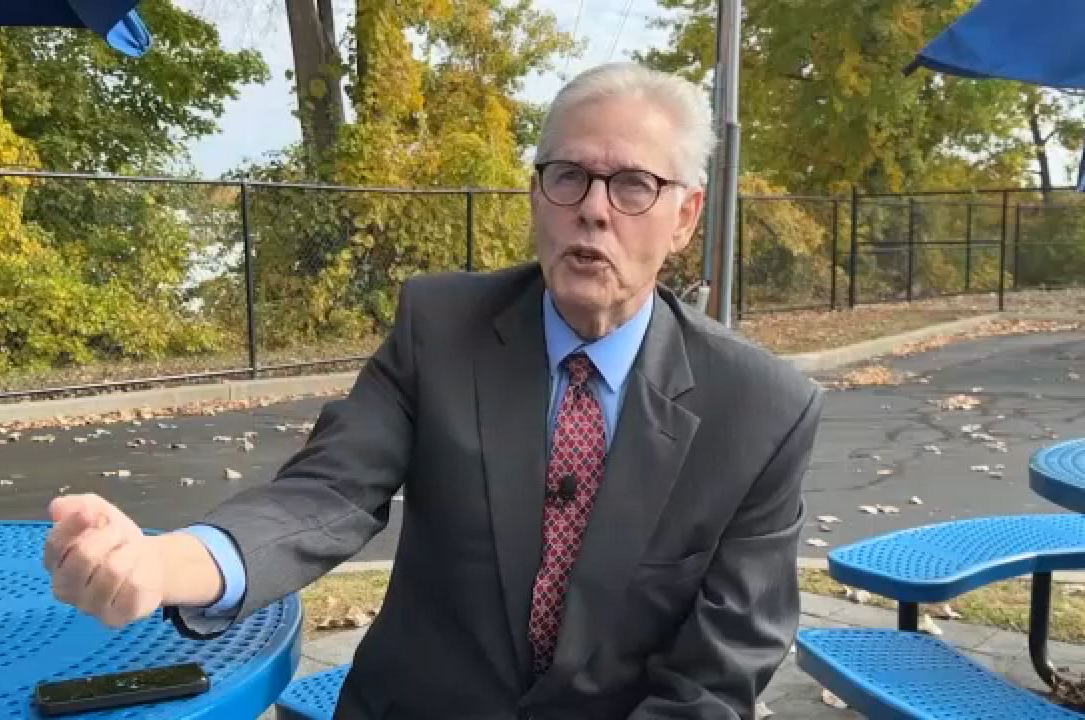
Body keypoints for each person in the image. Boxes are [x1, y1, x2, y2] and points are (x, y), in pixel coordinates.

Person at [43, 61, 823, 720]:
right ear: (536, 194)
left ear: (686, 216)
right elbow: (328, 493)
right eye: (569, 175)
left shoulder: (760, 411)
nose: (592, 206)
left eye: (632, 186)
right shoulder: (442, 326)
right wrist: (170, 561)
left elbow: (715, 678)